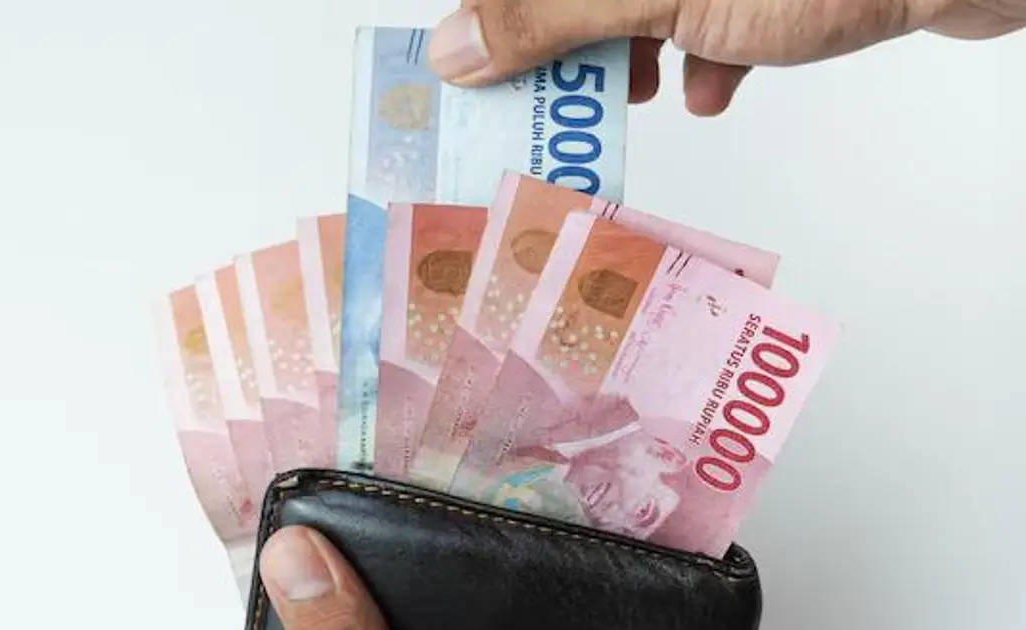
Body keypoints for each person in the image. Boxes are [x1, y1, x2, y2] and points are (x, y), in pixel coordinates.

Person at [257, 2, 1024, 628]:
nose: (648, 504)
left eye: (650, 502)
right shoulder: (559, 398)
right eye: (658, 489)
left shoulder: (548, 405)